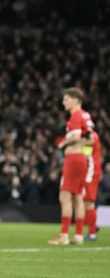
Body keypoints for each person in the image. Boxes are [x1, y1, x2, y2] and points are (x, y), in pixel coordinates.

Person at [48, 87, 93, 245]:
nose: (63, 102)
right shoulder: (86, 116)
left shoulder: (75, 115)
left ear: (75, 100)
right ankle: (79, 235)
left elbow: (75, 136)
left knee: (65, 197)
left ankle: (64, 235)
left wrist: (63, 143)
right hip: (83, 158)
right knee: (78, 197)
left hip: (73, 159)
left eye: (66, 99)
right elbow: (91, 140)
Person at [83, 129, 103, 241]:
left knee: (88, 201)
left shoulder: (91, 137)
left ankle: (92, 233)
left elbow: (86, 154)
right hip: (91, 171)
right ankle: (92, 226)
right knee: (85, 201)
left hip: (90, 172)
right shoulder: (92, 135)